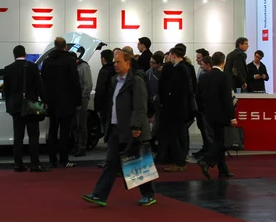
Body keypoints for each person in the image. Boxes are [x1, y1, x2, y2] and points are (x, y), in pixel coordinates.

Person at [82, 51, 156, 207]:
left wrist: (136, 126)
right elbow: (113, 105)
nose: (114, 64)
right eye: (114, 62)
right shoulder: (115, 81)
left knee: (137, 162)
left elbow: (140, 106)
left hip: (131, 128)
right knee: (111, 163)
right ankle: (99, 195)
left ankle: (148, 194)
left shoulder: (136, 81)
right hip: (116, 127)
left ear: (128, 63)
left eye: (118, 62)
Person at [3, 45, 47, 172]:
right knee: (33, 136)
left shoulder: (8, 69)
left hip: (16, 106)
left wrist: (9, 106)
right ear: (25, 54)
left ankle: (18, 163)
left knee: (18, 136)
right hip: (31, 105)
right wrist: (45, 101)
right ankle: (35, 164)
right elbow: (40, 87)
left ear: (14, 55)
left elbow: (7, 91)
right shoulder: (33, 67)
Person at [41, 37, 82, 168]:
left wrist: (45, 100)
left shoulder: (47, 61)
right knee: (65, 131)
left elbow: (43, 81)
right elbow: (75, 81)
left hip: (52, 101)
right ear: (65, 47)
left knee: (52, 130)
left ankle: (52, 159)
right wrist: (78, 100)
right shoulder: (70, 60)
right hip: (67, 101)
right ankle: (63, 159)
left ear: (54, 46)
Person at [197, 51, 237, 179]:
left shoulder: (204, 77)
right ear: (223, 62)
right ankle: (206, 160)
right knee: (221, 142)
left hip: (208, 114)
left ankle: (223, 169)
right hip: (222, 115)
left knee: (217, 140)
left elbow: (198, 96)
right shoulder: (224, 77)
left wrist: (203, 110)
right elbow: (227, 99)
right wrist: (232, 117)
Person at [160, 47, 190, 172]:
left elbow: (175, 90)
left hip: (176, 109)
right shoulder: (183, 68)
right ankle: (180, 161)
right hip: (179, 108)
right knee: (175, 135)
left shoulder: (179, 69)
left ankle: (179, 162)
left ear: (173, 55)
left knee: (172, 135)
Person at [74, 48, 93, 157]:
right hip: (76, 100)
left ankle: (82, 147)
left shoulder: (83, 67)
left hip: (82, 100)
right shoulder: (77, 67)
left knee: (81, 124)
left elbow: (88, 84)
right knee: (75, 125)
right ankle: (77, 145)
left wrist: (83, 98)